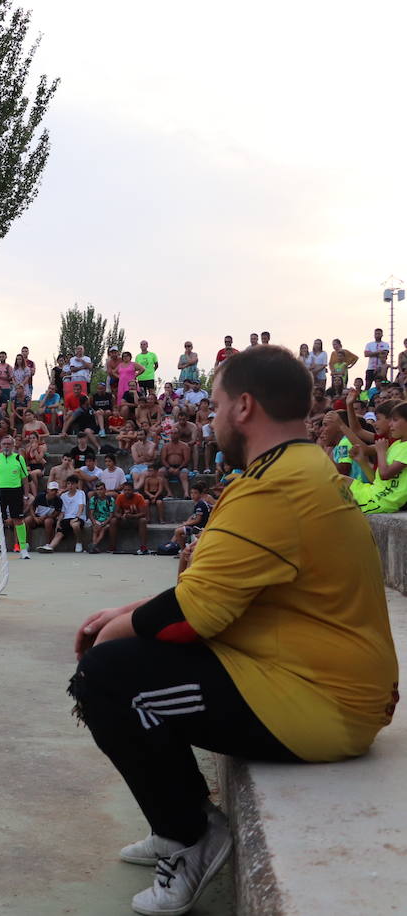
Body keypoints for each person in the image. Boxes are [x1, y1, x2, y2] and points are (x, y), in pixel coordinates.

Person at [69, 346, 397, 916]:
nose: (212, 418)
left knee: (105, 677)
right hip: (322, 683)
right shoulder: (298, 468)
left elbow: (193, 616)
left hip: (318, 704)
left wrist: (112, 633)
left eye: (216, 404)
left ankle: (191, 835)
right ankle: (180, 821)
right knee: (124, 652)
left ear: (243, 407)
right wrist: (128, 610)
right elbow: (220, 587)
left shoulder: (273, 486)